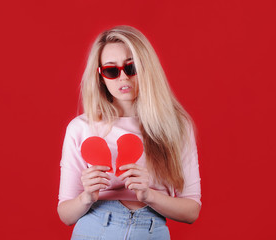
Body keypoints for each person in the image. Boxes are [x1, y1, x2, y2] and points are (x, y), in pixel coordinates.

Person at [57, 25, 201, 240]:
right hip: (94, 230)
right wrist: (86, 197)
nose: (123, 78)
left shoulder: (176, 126)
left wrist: (148, 195)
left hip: (151, 232)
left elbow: (191, 211)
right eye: (111, 70)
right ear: (100, 77)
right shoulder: (81, 127)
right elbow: (65, 214)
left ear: (146, 68)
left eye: (131, 68)